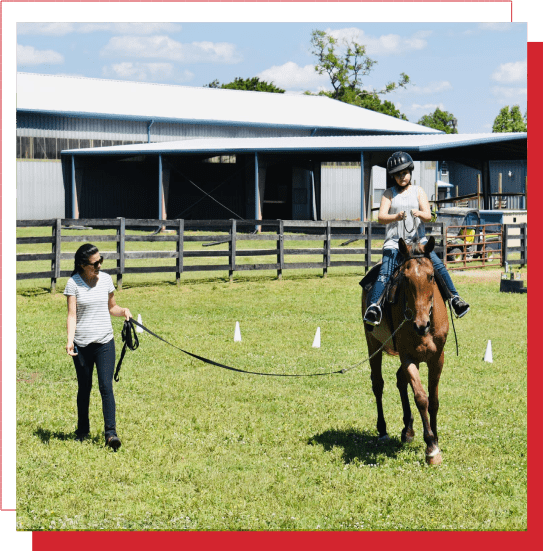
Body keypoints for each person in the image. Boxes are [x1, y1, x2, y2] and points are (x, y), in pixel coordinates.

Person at [363, 151, 470, 326]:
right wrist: (396, 217)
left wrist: (419, 213)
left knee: (438, 266)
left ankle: (454, 299)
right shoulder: (388, 193)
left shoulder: (418, 191)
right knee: (385, 271)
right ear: (393, 176)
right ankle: (374, 307)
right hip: (395, 243)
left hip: (419, 242)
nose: (401, 177)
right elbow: (381, 217)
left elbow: (428, 216)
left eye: (404, 173)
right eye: (397, 174)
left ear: (410, 172)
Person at [64, 243, 132, 449]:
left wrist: (123, 311)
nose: (100, 265)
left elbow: (112, 307)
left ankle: (111, 434)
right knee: (84, 388)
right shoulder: (73, 284)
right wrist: (69, 340)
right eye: (96, 263)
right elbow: (72, 315)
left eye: (101, 260)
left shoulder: (106, 280)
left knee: (106, 386)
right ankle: (82, 431)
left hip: (104, 342)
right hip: (82, 345)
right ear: (83, 265)